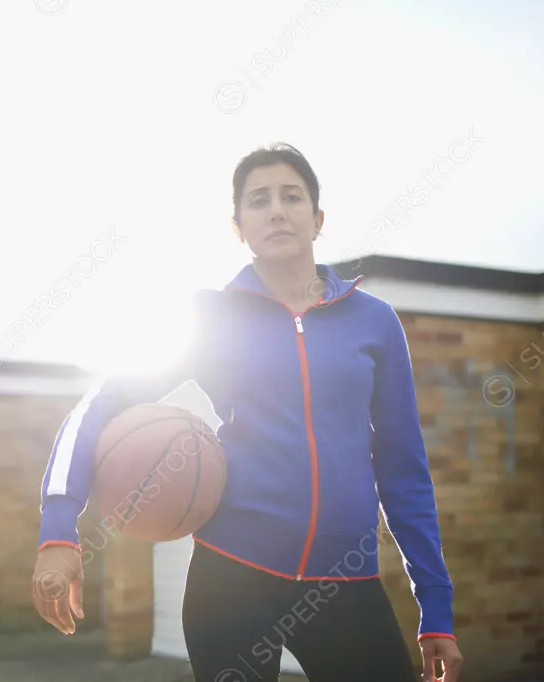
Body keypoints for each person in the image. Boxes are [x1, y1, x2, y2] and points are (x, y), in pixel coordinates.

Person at [31, 143, 464, 682]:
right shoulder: (209, 318)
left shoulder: (374, 323)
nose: (277, 210)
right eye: (258, 200)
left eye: (292, 196)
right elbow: (100, 402)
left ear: (318, 218)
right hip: (232, 579)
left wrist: (436, 609)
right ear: (238, 226)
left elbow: (403, 470)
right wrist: (58, 531)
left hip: (345, 580)